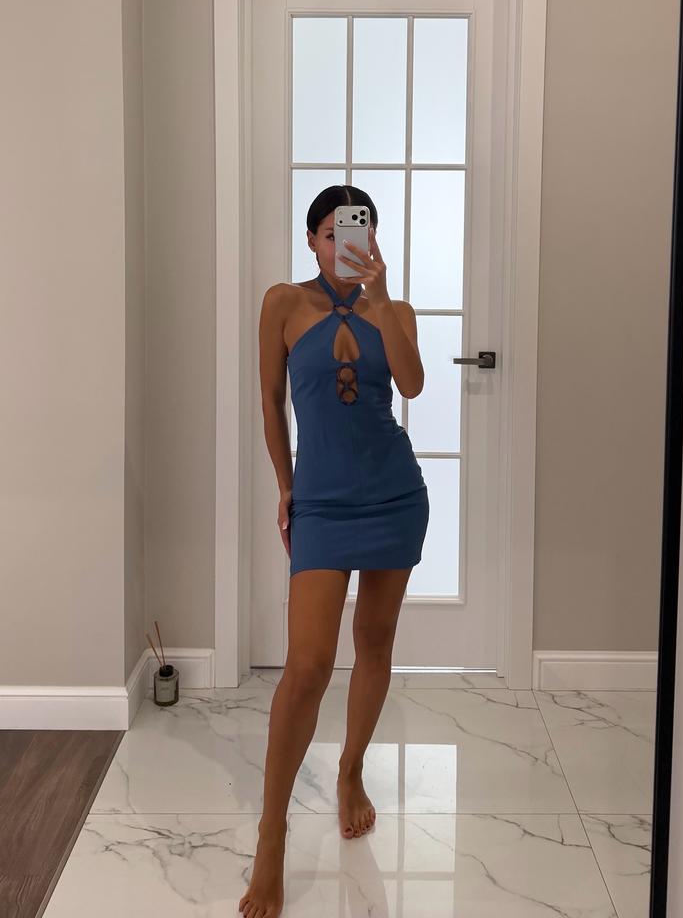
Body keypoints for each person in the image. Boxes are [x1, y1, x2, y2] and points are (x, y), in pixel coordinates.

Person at [238, 184, 429, 918]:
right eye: (334, 233)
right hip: (321, 502)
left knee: (374, 643)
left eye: (361, 230)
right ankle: (272, 835)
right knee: (308, 665)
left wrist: (380, 299)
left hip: (394, 497)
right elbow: (269, 401)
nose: (348, 243)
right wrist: (286, 488)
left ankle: (350, 771)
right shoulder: (282, 304)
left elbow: (412, 384)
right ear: (312, 240)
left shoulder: (396, 311)